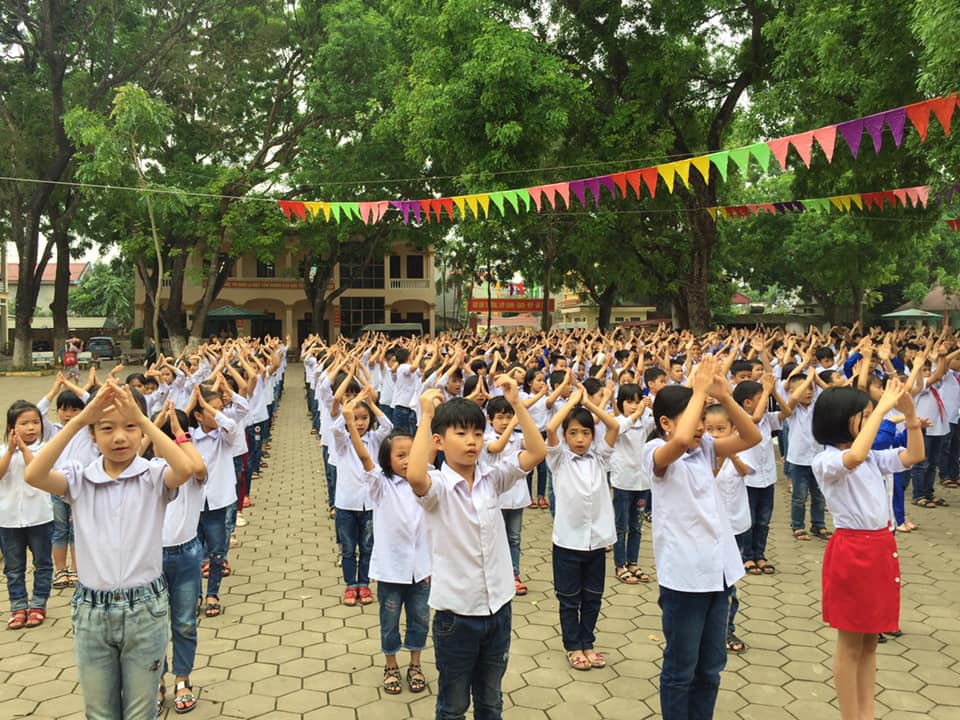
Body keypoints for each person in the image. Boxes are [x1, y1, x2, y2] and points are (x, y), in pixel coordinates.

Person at [23, 380, 196, 720]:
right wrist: (79, 420)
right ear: (93, 435)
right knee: (99, 712)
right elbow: (34, 473)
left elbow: (186, 468)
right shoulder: (79, 479)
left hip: (145, 610)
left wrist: (145, 420)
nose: (119, 437)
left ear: (142, 433)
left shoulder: (153, 475)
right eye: (106, 428)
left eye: (130, 427)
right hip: (92, 612)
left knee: (140, 711)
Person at [406, 379, 546, 720]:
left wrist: (517, 404)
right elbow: (414, 475)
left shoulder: (492, 478)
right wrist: (426, 416)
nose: (472, 441)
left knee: (491, 701)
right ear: (439, 442)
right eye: (461, 434)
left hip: (498, 608)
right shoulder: (438, 487)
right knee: (453, 706)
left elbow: (537, 452)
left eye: (477, 434)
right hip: (457, 616)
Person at [642, 355, 760, 720]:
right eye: (695, 420)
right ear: (664, 422)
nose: (701, 429)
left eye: (704, 422)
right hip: (684, 578)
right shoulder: (656, 454)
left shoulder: (706, 447)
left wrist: (724, 398)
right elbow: (678, 440)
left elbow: (752, 436)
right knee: (681, 669)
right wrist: (697, 391)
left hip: (718, 573)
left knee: (710, 668)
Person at [811, 378, 924, 720]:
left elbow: (914, 455)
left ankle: (866, 713)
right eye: (864, 415)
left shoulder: (873, 459)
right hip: (853, 551)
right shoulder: (828, 461)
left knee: (871, 640)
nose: (871, 418)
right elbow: (855, 455)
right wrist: (885, 409)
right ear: (839, 419)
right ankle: (851, 715)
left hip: (880, 547)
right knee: (850, 644)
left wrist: (912, 417)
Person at [343, 399, 430, 695]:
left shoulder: (427, 483)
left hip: (422, 569)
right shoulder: (381, 484)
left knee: (420, 618)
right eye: (400, 455)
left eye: (412, 454)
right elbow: (364, 457)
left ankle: (415, 663)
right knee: (390, 619)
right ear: (388, 459)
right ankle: (391, 663)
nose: (407, 460)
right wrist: (350, 424)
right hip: (391, 569)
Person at [545, 384, 619, 671]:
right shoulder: (559, 459)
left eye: (586, 433)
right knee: (568, 599)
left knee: (592, 597)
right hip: (567, 542)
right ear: (566, 436)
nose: (580, 439)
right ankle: (572, 645)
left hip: (597, 541)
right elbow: (551, 429)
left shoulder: (599, 458)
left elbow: (613, 426)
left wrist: (590, 403)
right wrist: (572, 403)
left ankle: (588, 642)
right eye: (573, 433)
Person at [150, 403, 207, 716]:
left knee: (184, 623)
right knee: (154, 624)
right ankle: (155, 681)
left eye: (178, 437)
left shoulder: (193, 469)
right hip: (150, 557)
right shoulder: (148, 470)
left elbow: (197, 468)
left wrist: (178, 433)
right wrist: (153, 427)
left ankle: (182, 678)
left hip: (186, 553)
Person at [332, 384, 394, 606]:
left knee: (368, 546)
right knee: (348, 548)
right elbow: (337, 429)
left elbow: (388, 425)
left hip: (370, 503)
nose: (359, 423)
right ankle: (351, 585)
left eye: (364, 418)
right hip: (346, 502)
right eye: (356, 419)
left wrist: (370, 403)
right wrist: (349, 409)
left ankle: (364, 583)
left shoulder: (376, 440)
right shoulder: (342, 442)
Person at [703, 403, 755, 655]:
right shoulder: (703, 454)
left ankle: (727, 628)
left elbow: (747, 472)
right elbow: (705, 481)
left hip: (736, 526)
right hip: (711, 529)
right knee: (713, 580)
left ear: (733, 429)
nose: (714, 434)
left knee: (729, 583)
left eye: (721, 429)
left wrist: (732, 456)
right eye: (709, 429)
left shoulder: (740, 451)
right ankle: (712, 629)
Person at [0, 400, 52, 630]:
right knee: (13, 566)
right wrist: (11, 451)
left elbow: (38, 472)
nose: (31, 428)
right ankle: (18, 606)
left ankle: (39, 604)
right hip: (9, 518)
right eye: (24, 423)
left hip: (39, 516)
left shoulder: (45, 448)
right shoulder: (3, 451)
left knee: (42, 563)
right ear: (12, 427)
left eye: (35, 422)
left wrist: (24, 449)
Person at [483, 396, 530, 595]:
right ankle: (495, 576)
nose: (504, 422)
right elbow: (498, 447)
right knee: (494, 539)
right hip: (495, 497)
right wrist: (513, 425)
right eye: (500, 417)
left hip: (516, 496)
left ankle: (514, 574)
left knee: (515, 538)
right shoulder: (486, 438)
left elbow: (535, 446)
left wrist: (524, 419)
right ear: (489, 419)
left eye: (509, 417)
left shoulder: (518, 438)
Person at [610, 383, 653, 585]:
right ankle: (620, 565)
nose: (634, 406)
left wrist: (652, 407)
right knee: (621, 526)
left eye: (637, 402)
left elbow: (661, 424)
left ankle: (633, 562)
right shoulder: (616, 421)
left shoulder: (645, 420)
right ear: (621, 403)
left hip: (642, 481)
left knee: (637, 525)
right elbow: (619, 429)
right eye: (629, 402)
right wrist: (636, 415)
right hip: (622, 481)